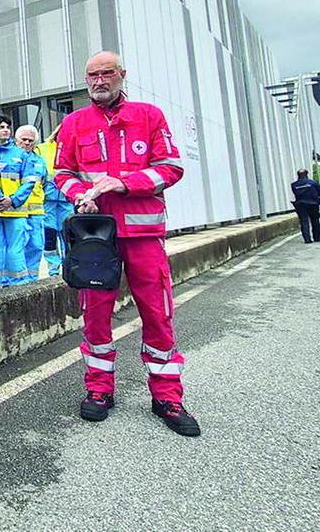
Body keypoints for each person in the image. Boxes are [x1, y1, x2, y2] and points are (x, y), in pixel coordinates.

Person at [54, 51, 200, 437]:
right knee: (95, 315)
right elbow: (63, 173)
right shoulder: (73, 123)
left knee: (158, 313)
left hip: (144, 237)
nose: (99, 81)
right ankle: (99, 389)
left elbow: (171, 167)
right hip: (94, 239)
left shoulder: (149, 115)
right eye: (92, 75)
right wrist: (80, 193)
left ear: (122, 75)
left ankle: (167, 395)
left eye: (106, 73)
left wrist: (124, 183)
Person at [0, 116, 32, 289]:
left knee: (16, 249)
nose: (5, 130)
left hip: (16, 210)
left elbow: (29, 182)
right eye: (0, 127)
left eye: (7, 127)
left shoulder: (21, 154)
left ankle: (19, 285)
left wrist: (12, 200)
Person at [36, 125, 74, 275]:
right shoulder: (41, 148)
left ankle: (69, 266)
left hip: (67, 199)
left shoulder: (73, 148)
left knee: (68, 235)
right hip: (48, 199)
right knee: (49, 235)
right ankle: (53, 270)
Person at [13, 124, 48, 281]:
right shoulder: (11, 158)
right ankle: (19, 281)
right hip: (16, 210)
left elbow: (45, 183)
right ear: (16, 140)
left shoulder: (39, 161)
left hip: (36, 211)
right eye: (23, 139)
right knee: (18, 247)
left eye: (30, 140)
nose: (27, 143)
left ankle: (32, 280)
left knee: (36, 245)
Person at [290, 169, 320, 244]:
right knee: (315, 221)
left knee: (304, 221)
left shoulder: (294, 185)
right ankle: (317, 238)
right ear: (307, 174)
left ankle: (307, 239)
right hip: (313, 204)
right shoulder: (313, 183)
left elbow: (296, 194)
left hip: (301, 205)